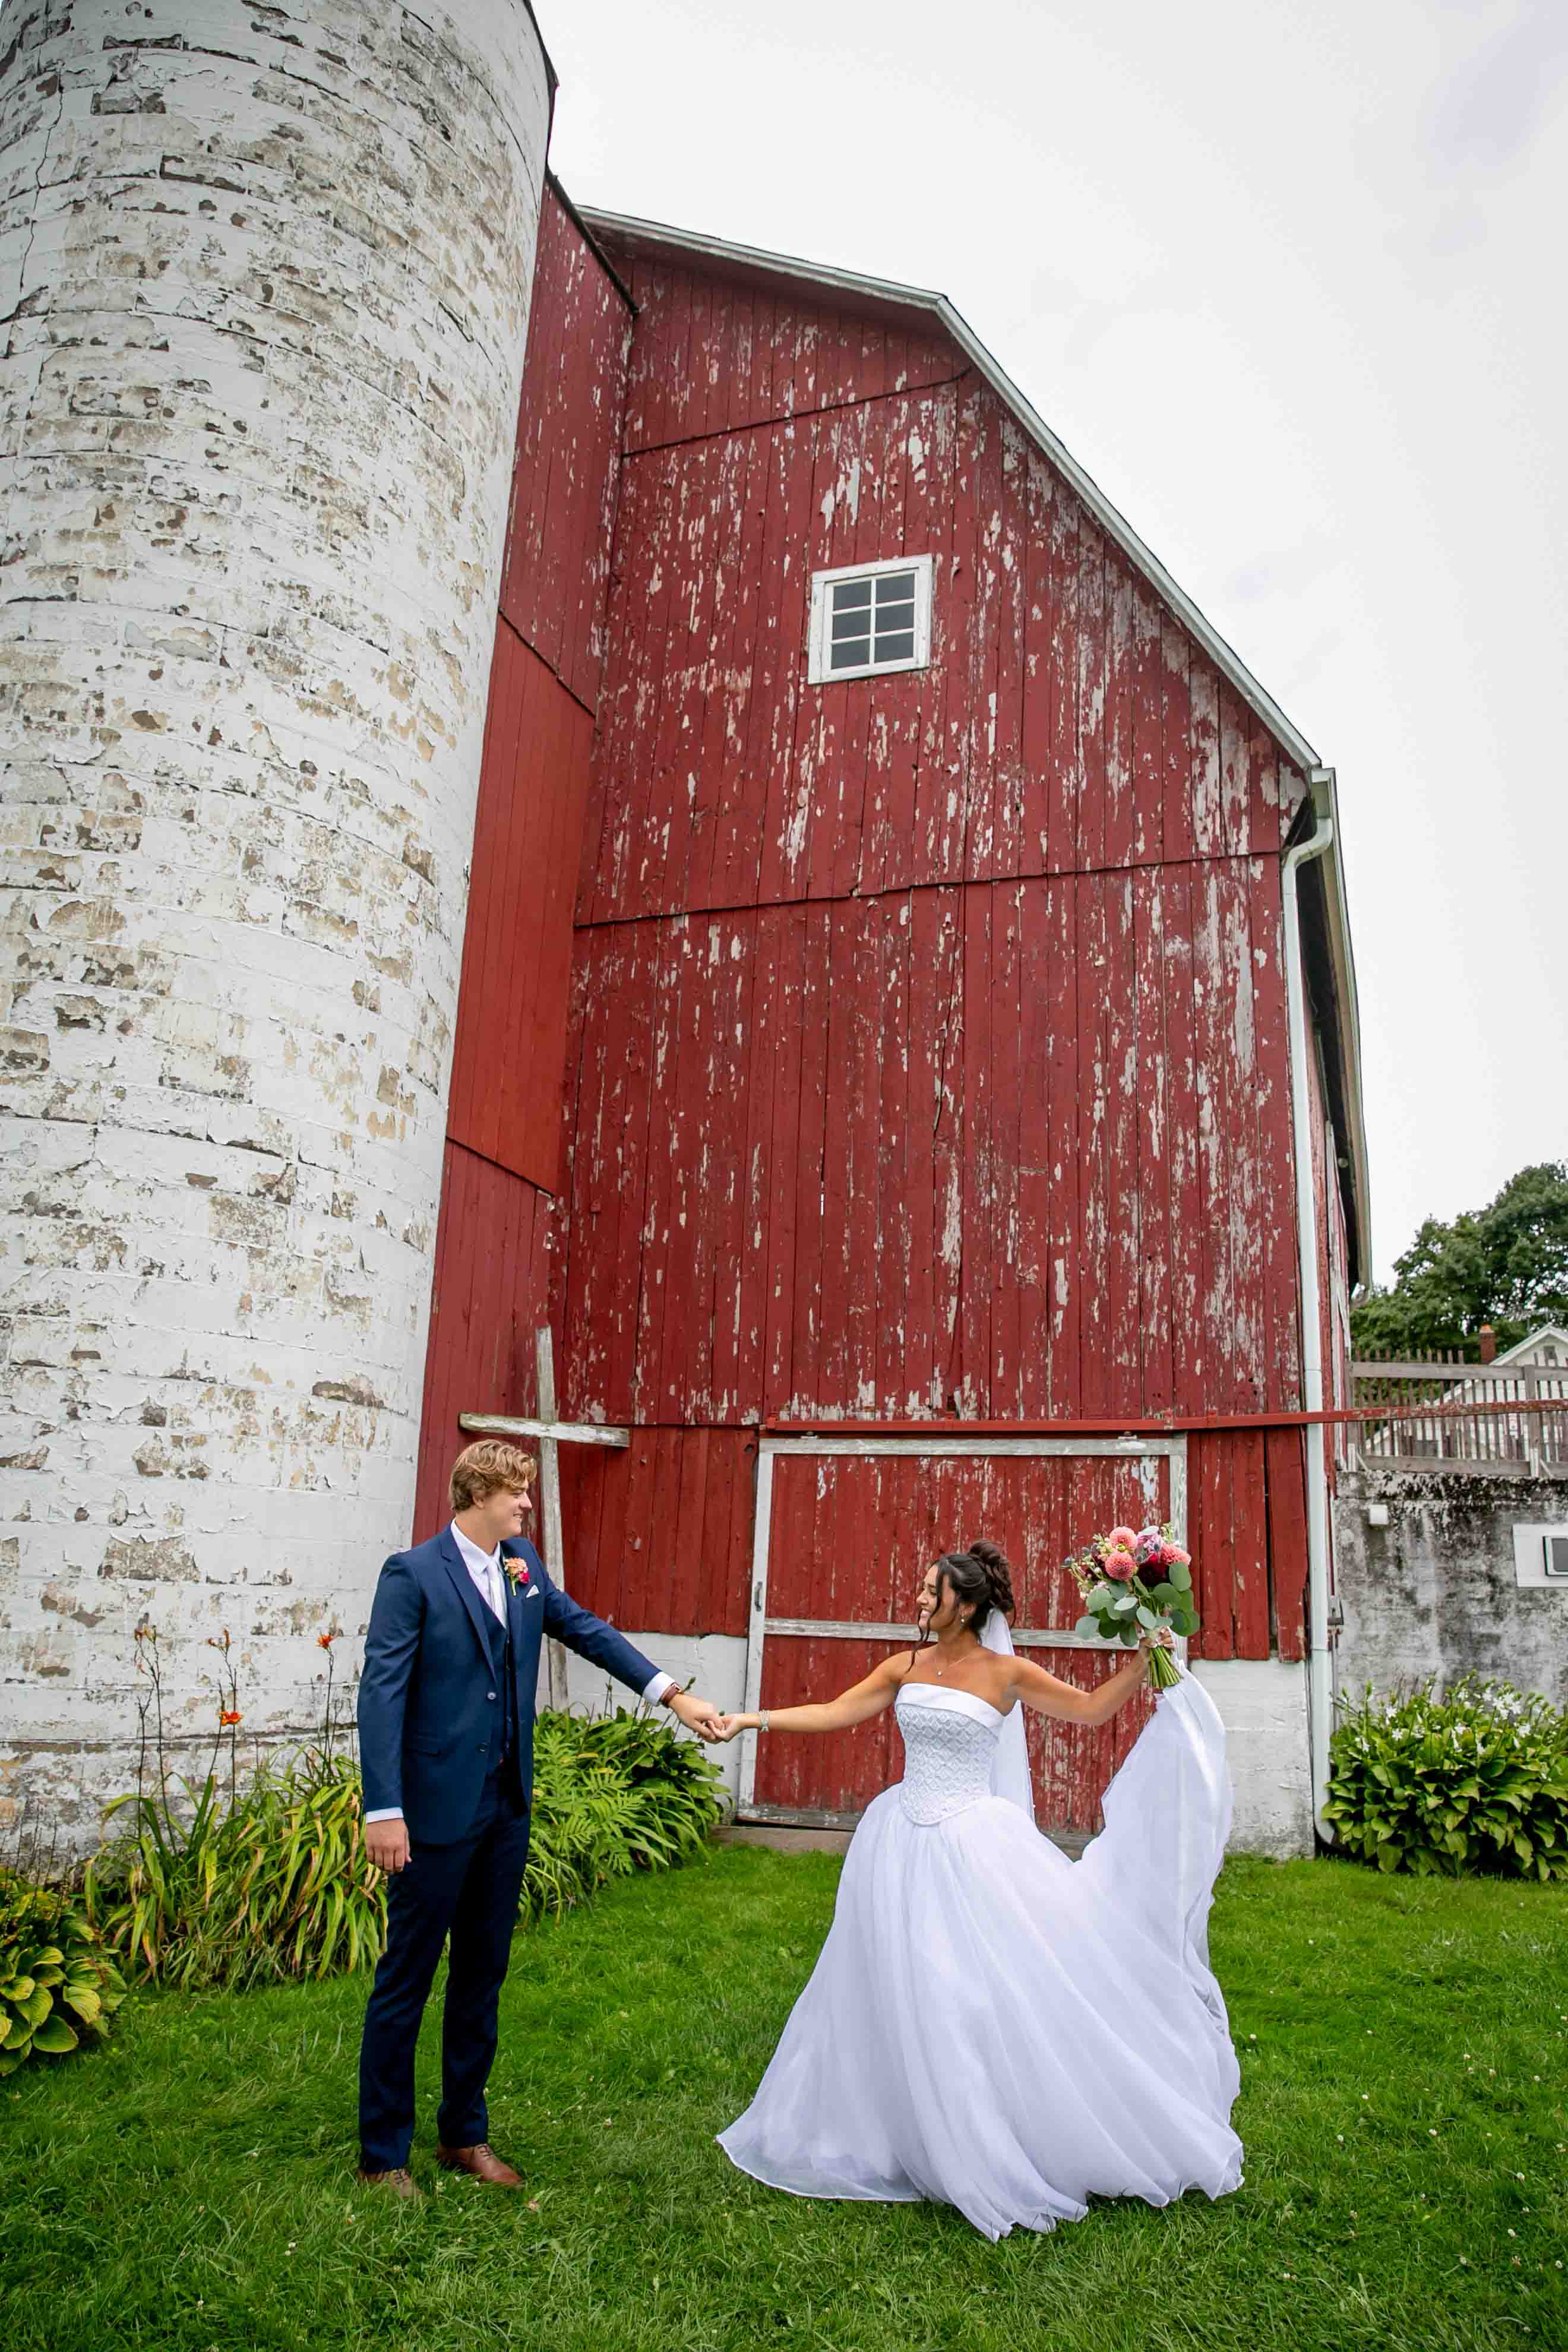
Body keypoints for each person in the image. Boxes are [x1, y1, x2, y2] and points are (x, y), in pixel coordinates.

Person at [712, 1538, 1243, 2242]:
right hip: (899, 1840)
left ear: (966, 1605)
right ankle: (900, 2124)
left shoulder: (1007, 1672)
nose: (921, 1602)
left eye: (933, 1593)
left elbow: (1087, 1711)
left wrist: (1143, 1663)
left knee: (971, 1989)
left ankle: (986, 2126)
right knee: (899, 1983)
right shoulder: (905, 1666)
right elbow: (838, 1710)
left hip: (973, 1843)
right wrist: (756, 1720)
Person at [355, 1439, 723, 2197]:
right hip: (429, 1814)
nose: (527, 1505)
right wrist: (383, 1810)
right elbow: (381, 1694)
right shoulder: (414, 1574)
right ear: (479, 1494)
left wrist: (673, 1696)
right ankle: (382, 2155)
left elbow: (583, 1629)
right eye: (517, 1494)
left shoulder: (522, 1567)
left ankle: (464, 2134)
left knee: (483, 1974)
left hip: (505, 1809)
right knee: (407, 1979)